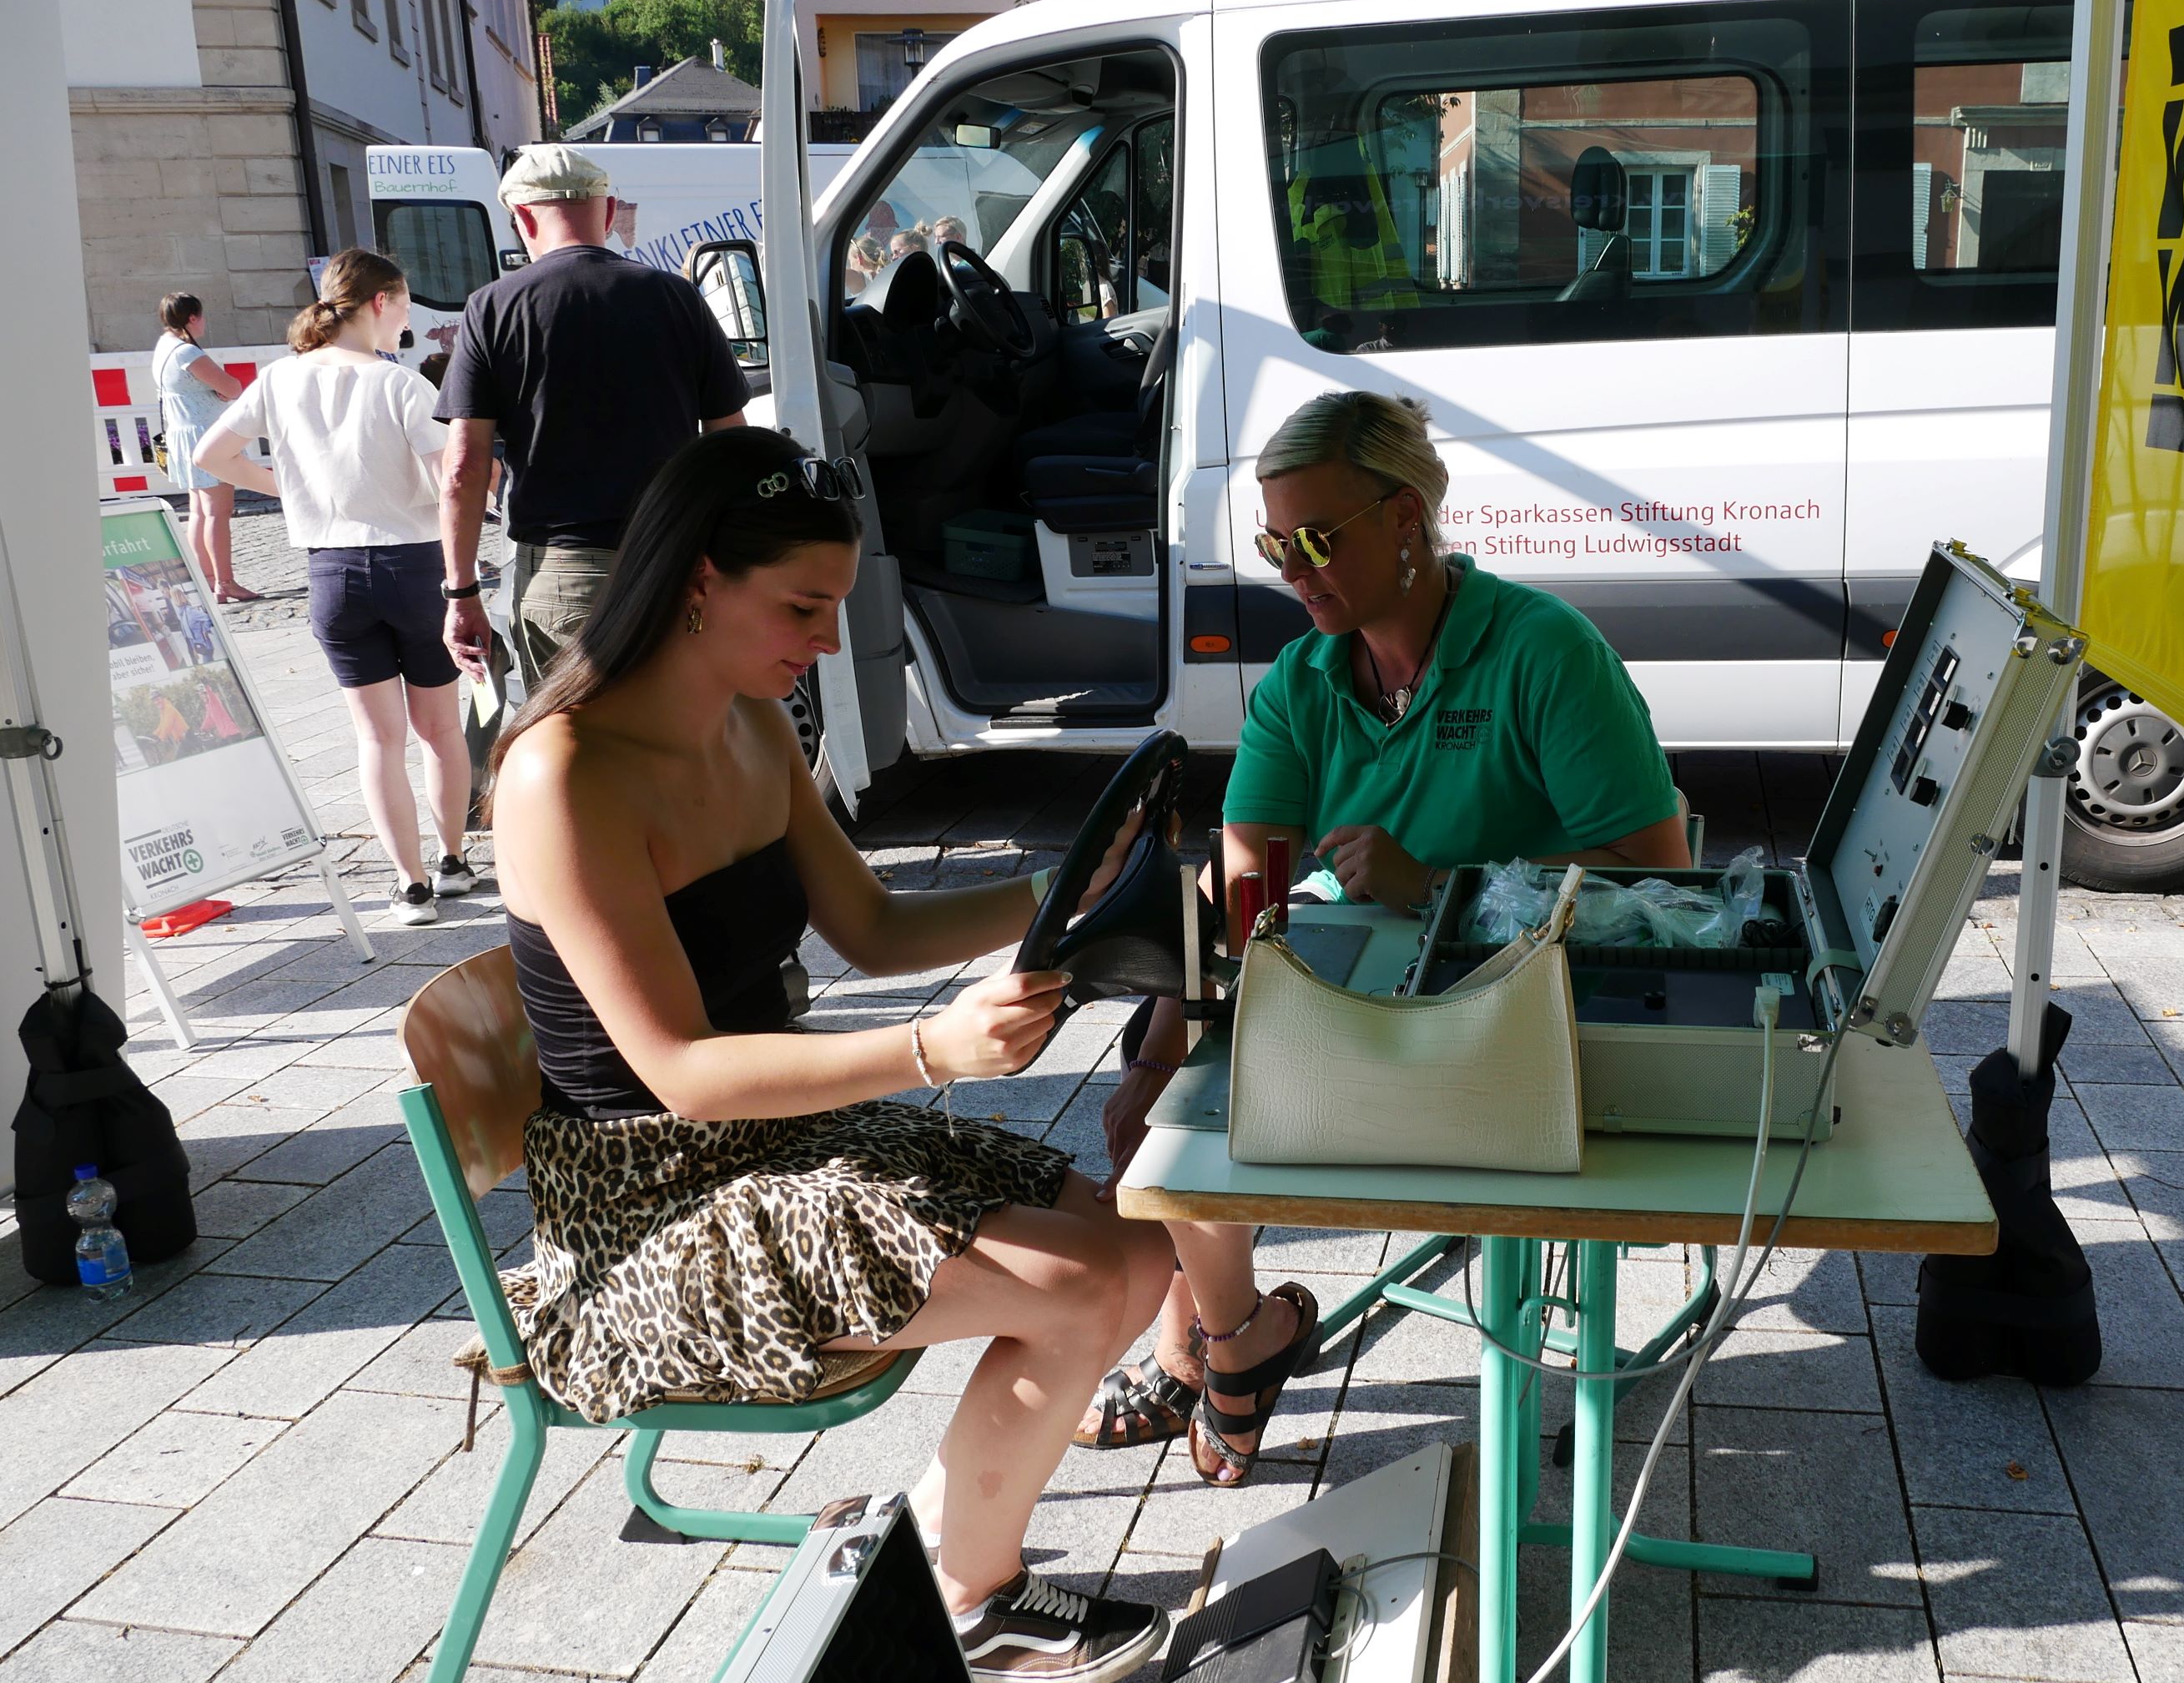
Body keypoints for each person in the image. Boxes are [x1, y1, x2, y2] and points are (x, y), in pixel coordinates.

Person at [486, 426, 1175, 1681]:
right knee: (1081, 1284)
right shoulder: (563, 776)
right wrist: (931, 1051)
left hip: (776, 1142)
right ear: (699, 578)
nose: (823, 640)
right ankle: (967, 1589)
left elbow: (870, 925)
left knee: (1138, 1246)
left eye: (834, 607)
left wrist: (1067, 885)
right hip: (644, 1207)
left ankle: (934, 1560)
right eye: (802, 607)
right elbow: (678, 1072)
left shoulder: (752, 722)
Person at [1085, 391, 1691, 1486]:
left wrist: (1447, 887)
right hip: (1389, 991)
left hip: (1529, 1003)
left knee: (1216, 1097)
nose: (1294, 568)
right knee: (1166, 1080)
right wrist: (1161, 1041)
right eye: (1277, 544)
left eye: (1318, 538)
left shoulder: (1542, 652)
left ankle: (1214, 1348)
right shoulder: (1309, 682)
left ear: (1406, 518)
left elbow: (1661, 876)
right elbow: (1239, 882)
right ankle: (1233, 1334)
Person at [195, 249, 480, 925]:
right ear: (380, 302)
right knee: (439, 729)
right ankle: (451, 861)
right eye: (405, 306)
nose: (406, 323)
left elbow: (211, 457)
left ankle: (409, 886)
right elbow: (452, 485)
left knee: (376, 739)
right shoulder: (401, 385)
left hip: (331, 572)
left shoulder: (278, 379)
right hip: (413, 566)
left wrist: (291, 492)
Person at [435, 145, 750, 693]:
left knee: (574, 755)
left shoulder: (491, 307)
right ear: (607, 214)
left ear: (523, 219)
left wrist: (461, 594)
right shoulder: (677, 296)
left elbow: (464, 466)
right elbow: (732, 448)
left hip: (563, 576)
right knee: (673, 743)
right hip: (671, 563)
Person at [153, 293, 258, 602]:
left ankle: (209, 579)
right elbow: (232, 388)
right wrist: (223, 394)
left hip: (183, 436)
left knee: (199, 512)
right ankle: (224, 582)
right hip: (206, 437)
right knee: (217, 514)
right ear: (193, 318)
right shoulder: (186, 352)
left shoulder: (164, 347)